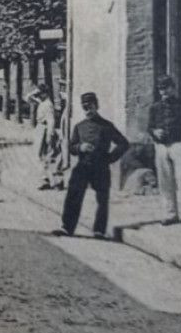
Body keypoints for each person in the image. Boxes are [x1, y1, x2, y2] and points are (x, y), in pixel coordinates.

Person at [53, 92, 129, 239]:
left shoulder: (107, 126)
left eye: (91, 107)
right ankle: (67, 227)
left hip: (100, 167)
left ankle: (99, 230)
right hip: (83, 166)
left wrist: (109, 158)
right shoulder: (79, 126)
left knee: (102, 199)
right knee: (73, 195)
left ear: (97, 106)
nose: (88, 110)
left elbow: (123, 143)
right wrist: (80, 147)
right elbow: (71, 146)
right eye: (85, 107)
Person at [148, 75, 181, 226]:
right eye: (160, 88)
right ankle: (169, 214)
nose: (163, 91)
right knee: (165, 182)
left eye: (166, 87)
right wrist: (154, 132)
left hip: (179, 145)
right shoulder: (155, 108)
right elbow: (149, 127)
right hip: (161, 147)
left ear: (173, 88)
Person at [31, 84, 62, 191]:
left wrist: (50, 134)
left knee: (48, 156)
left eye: (40, 93)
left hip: (45, 129)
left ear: (45, 93)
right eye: (38, 94)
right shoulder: (42, 102)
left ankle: (57, 181)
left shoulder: (48, 104)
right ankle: (46, 180)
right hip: (40, 129)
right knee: (40, 156)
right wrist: (34, 92)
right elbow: (28, 98)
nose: (38, 96)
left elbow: (51, 120)